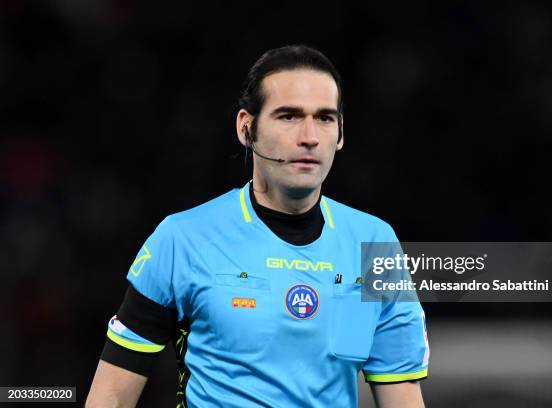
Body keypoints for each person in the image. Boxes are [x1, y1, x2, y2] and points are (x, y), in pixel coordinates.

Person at [86, 45, 429, 408]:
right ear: (246, 128)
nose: (310, 136)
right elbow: (111, 398)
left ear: (341, 133)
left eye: (325, 118)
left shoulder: (373, 243)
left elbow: (402, 396)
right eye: (288, 117)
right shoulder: (182, 240)